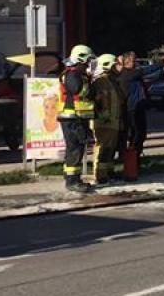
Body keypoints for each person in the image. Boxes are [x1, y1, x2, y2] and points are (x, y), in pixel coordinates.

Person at [58, 44, 96, 193]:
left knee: (76, 149)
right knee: (75, 150)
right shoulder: (73, 75)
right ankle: (72, 181)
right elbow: (75, 89)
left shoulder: (77, 74)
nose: (88, 64)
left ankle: (71, 178)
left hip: (77, 118)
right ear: (81, 59)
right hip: (72, 118)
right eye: (87, 61)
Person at [91, 53, 123, 185]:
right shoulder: (100, 82)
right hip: (103, 122)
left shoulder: (111, 81)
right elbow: (97, 102)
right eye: (115, 65)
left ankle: (109, 172)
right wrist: (103, 116)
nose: (117, 67)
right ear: (107, 66)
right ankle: (100, 175)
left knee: (110, 149)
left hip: (112, 121)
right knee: (103, 149)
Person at [119, 51, 149, 162]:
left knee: (141, 133)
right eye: (133, 60)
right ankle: (131, 158)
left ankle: (136, 156)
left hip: (139, 106)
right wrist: (163, 63)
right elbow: (145, 71)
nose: (135, 62)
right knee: (135, 133)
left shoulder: (135, 75)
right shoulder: (127, 73)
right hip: (132, 109)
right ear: (126, 61)